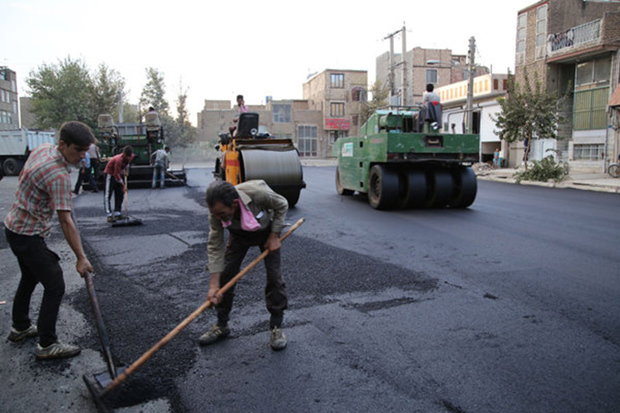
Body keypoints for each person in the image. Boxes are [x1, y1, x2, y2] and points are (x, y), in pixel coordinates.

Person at [4, 121, 95, 360]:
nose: (83, 156)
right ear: (63, 144)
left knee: (30, 276)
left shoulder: (44, 148)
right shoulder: (58, 176)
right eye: (78, 150)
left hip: (14, 227)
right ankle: (47, 344)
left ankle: (20, 327)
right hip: (27, 234)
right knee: (55, 284)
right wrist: (81, 258)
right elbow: (65, 221)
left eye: (86, 150)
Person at [200, 179, 289, 351]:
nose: (218, 218)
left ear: (234, 204)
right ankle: (221, 325)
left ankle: (276, 327)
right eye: (215, 215)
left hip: (266, 232)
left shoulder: (258, 193)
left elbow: (282, 204)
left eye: (222, 214)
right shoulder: (216, 211)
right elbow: (215, 245)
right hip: (239, 236)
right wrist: (213, 286)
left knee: (274, 277)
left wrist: (274, 236)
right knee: (226, 276)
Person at [103, 146, 134, 223]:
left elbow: (127, 165)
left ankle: (117, 213)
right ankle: (109, 215)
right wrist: (124, 185)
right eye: (127, 156)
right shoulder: (118, 160)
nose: (128, 158)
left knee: (120, 193)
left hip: (118, 174)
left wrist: (126, 171)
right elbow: (116, 174)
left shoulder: (131, 156)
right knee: (108, 195)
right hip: (110, 174)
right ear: (124, 154)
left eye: (129, 157)